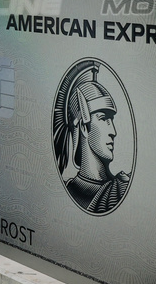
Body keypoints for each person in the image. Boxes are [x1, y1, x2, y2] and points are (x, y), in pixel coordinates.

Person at [54, 61, 131, 214]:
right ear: (83, 127)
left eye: (112, 120)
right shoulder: (65, 188)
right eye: (103, 119)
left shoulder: (121, 189)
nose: (113, 131)